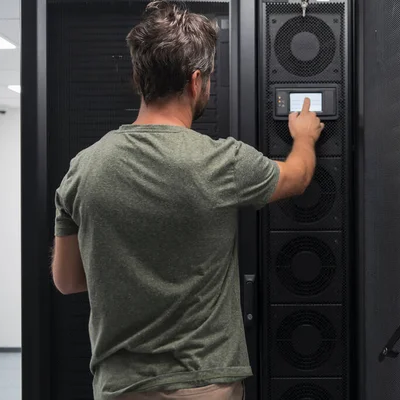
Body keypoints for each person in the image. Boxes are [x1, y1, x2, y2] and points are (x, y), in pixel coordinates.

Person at [50, 2, 324, 400]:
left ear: (138, 77)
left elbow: (68, 280)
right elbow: (297, 177)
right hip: (205, 385)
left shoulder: (83, 169)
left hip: (121, 387)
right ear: (196, 81)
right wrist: (304, 137)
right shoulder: (222, 161)